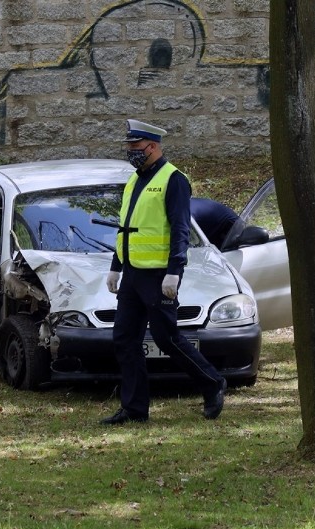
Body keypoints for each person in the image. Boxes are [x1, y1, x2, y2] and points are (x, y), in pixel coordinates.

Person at [100, 120, 227, 425]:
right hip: (132, 274)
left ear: (153, 146)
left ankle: (212, 383)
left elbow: (180, 229)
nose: (131, 153)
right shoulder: (135, 180)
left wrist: (175, 272)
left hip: (159, 276)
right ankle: (134, 409)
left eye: (136, 148)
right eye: (129, 148)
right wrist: (116, 267)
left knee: (166, 337)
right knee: (124, 339)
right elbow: (127, 230)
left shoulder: (174, 180)